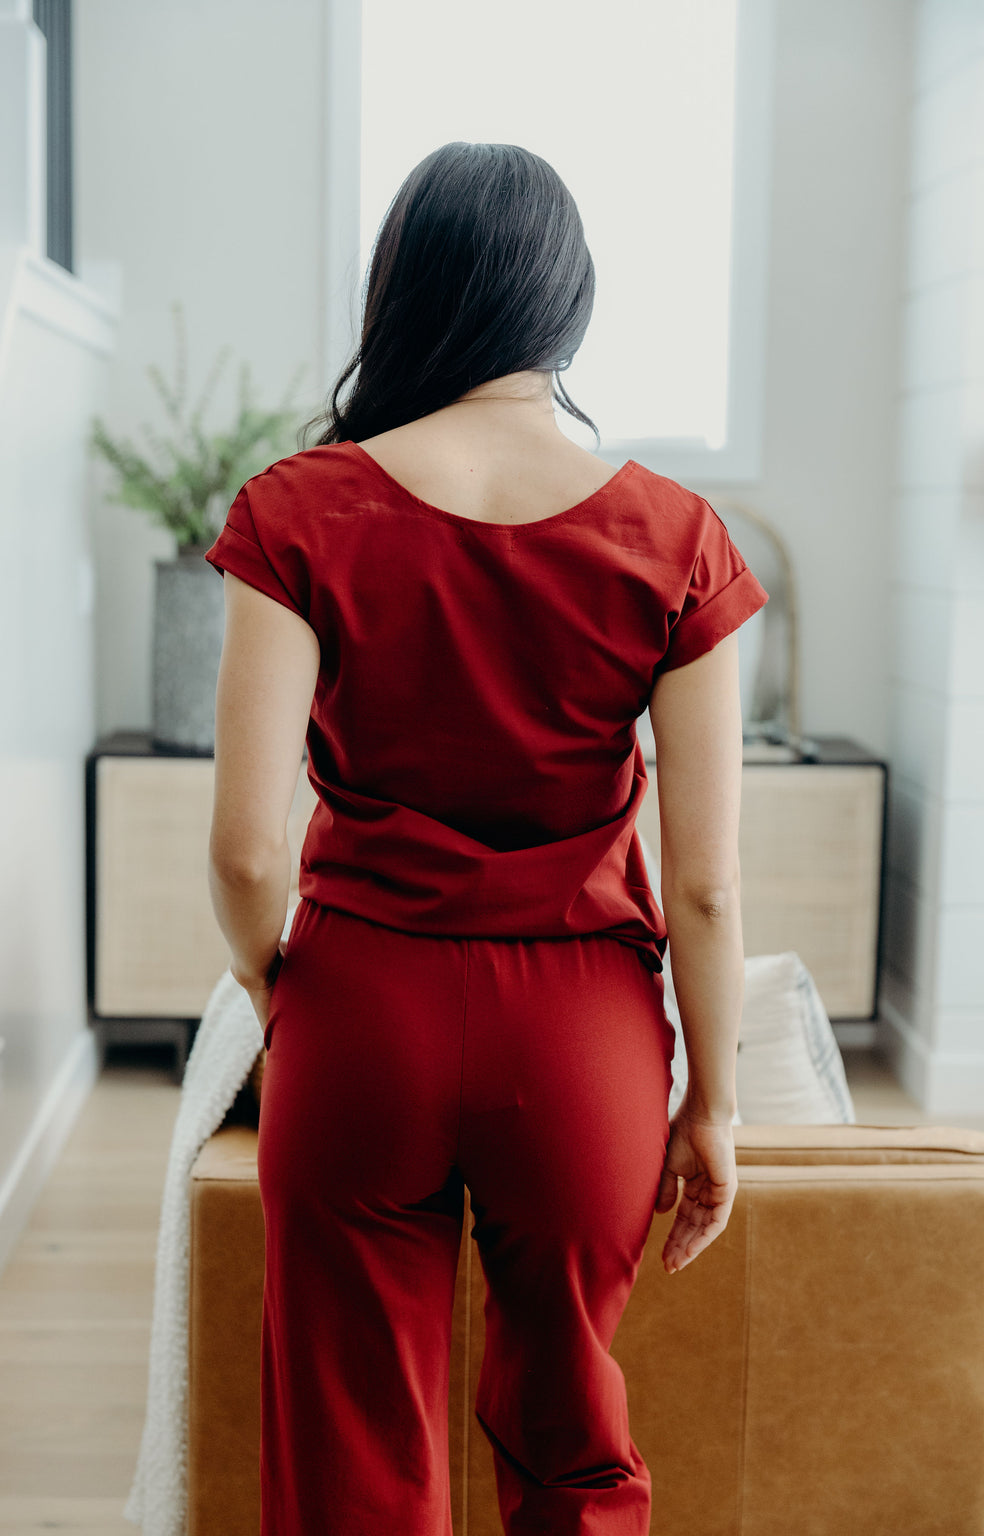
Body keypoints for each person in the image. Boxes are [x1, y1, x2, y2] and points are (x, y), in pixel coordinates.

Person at [205, 141, 769, 1536]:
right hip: (580, 1034)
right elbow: (702, 885)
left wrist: (282, 988)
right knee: (573, 1440)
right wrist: (714, 1102)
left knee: (352, 1454)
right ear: (562, 307)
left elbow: (241, 852)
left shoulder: (297, 508)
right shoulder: (675, 535)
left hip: (363, 1012)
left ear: (402, 295)